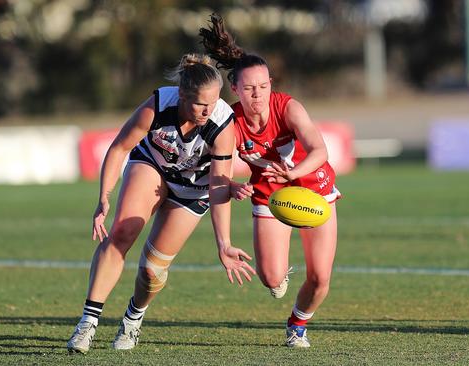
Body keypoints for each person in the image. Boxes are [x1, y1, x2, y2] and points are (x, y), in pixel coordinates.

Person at [66, 53, 256, 354]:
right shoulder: (158, 105)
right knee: (121, 234)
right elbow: (119, 148)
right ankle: (88, 322)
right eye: (200, 104)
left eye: (214, 102)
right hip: (152, 166)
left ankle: (133, 317)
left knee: (152, 271)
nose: (208, 110)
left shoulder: (221, 125)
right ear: (182, 95)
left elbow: (219, 185)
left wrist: (224, 243)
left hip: (193, 190)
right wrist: (104, 197)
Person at [200, 14, 341, 348]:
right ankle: (279, 275)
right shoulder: (230, 122)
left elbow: (320, 149)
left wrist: (293, 172)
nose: (257, 95)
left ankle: (297, 325)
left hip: (313, 188)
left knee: (320, 279)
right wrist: (234, 186)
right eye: (249, 88)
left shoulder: (288, 107)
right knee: (272, 278)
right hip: (269, 193)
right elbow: (219, 170)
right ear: (235, 89)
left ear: (271, 85)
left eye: (264, 86)